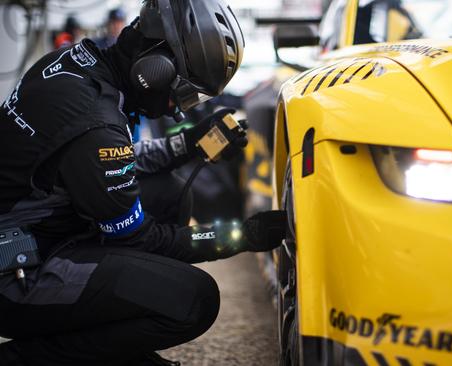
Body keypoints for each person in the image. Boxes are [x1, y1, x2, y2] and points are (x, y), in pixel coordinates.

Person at [0, 0, 286, 365]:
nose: (178, 109)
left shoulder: (78, 64)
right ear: (155, 69)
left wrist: (188, 144)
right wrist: (240, 236)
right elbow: (141, 236)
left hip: (35, 233)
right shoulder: (97, 123)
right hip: (15, 278)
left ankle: (104, 342)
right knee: (193, 300)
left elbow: (109, 159)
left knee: (167, 194)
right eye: (184, 93)